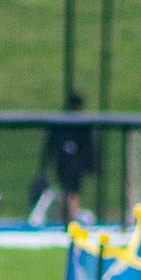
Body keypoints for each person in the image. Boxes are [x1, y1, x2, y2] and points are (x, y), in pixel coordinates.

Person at [28, 91, 95, 227]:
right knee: (68, 191)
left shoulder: (82, 126)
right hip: (64, 164)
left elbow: (88, 146)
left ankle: (70, 218)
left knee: (71, 191)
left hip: (75, 164)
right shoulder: (60, 124)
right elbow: (51, 145)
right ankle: (67, 218)